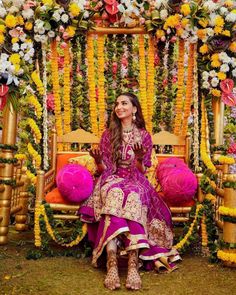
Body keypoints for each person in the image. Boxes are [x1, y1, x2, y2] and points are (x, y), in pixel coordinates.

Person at [79, 92, 180, 290]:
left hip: (136, 179)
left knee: (134, 195)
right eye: (117, 104)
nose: (119, 107)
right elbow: (105, 170)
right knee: (115, 193)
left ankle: (133, 263)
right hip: (112, 178)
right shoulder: (108, 135)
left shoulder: (144, 136)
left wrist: (140, 158)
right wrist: (98, 161)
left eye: (124, 103)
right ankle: (112, 263)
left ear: (134, 109)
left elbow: (142, 170)